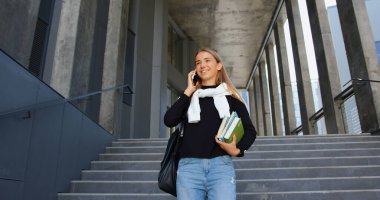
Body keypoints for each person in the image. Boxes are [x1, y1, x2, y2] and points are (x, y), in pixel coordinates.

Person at [164, 48, 257, 200]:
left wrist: (237, 150)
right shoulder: (189, 98)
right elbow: (169, 120)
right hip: (189, 168)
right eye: (198, 62)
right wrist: (189, 90)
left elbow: (250, 130)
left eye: (207, 60)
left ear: (218, 65)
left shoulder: (231, 99)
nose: (202, 65)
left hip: (220, 167)